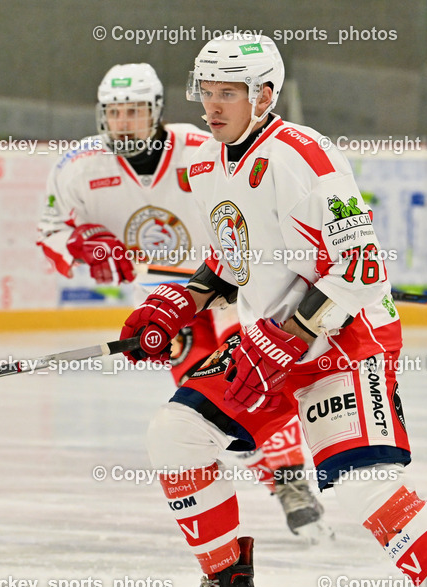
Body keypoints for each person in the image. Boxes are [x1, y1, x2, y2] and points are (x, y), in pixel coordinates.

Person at [119, 37, 427, 587]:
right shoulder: (209, 166)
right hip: (279, 339)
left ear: (265, 96)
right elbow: (232, 262)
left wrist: (285, 338)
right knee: (177, 433)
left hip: (346, 339)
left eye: (230, 93)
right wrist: (174, 305)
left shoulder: (301, 156)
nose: (214, 105)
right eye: (208, 92)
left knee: (362, 482)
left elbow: (361, 267)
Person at [36, 63, 330, 541]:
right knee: (203, 388)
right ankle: (273, 472)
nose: (123, 122)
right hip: (165, 300)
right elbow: (50, 234)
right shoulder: (76, 168)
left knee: (251, 379)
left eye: (134, 111)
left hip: (225, 284)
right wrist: (78, 246)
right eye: (114, 112)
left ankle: (289, 481)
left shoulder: (200, 149)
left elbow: (250, 204)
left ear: (154, 112)